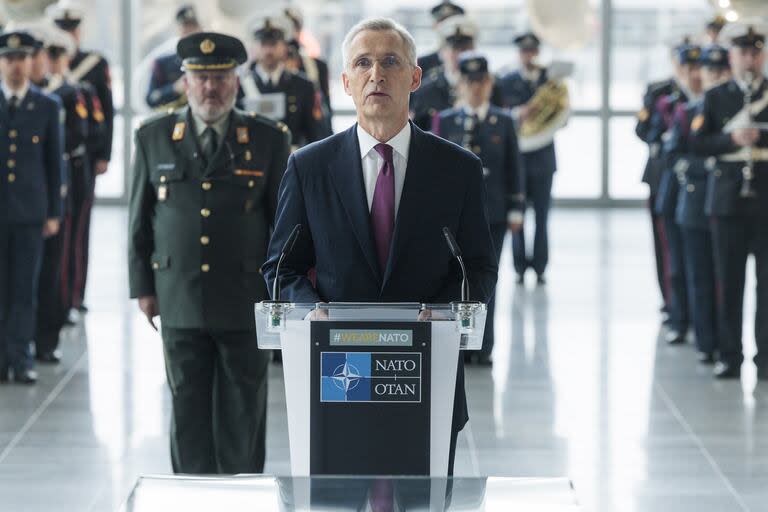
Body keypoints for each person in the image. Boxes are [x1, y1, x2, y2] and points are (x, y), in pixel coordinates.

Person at [262, 17, 497, 475]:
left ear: (414, 77)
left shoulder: (458, 169)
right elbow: (281, 269)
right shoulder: (309, 167)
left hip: (426, 368)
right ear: (346, 81)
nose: (377, 74)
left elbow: (479, 268)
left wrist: (446, 312)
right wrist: (314, 311)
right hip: (337, 371)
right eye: (363, 63)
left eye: (390, 61)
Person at [128, 32, 291, 472]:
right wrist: (143, 286)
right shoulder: (153, 136)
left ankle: (241, 496)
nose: (210, 88)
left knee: (244, 407)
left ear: (236, 80)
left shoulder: (268, 138)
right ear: (185, 81)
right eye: (200, 77)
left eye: (219, 77)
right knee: (186, 407)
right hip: (178, 293)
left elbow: (282, 225)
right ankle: (191, 494)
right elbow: (139, 221)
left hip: (245, 297)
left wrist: (281, 296)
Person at [432, 52, 524, 366]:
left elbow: (515, 167)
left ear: (489, 83)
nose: (476, 87)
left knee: (488, 279)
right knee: (455, 279)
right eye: (470, 81)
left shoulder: (504, 120)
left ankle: (483, 346)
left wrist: (516, 208)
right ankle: (458, 343)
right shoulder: (446, 120)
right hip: (455, 217)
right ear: (462, 84)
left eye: (481, 81)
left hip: (494, 213)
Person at [689, 23, 768, 380]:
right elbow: (697, 144)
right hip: (726, 201)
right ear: (732, 57)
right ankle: (729, 354)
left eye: (755, 52)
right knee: (729, 281)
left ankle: (765, 357)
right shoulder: (717, 96)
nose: (749, 59)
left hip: (765, 198)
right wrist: (732, 140)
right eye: (743, 53)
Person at [0, 31, 64, 384]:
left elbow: (55, 164)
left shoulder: (47, 105)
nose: (15, 64)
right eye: (8, 58)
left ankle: (21, 357)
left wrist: (54, 211)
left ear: (30, 61)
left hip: (30, 212)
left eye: (21, 57)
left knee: (25, 289)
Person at [664, 44, 731, 364]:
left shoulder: (736, 113)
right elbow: (673, 154)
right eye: (710, 72)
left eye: (722, 72)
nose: (715, 78)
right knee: (699, 276)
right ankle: (707, 343)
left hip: (731, 206)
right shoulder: (688, 113)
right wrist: (708, 166)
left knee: (727, 280)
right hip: (695, 203)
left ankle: (728, 344)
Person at [47, 0, 114, 313]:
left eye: (72, 29)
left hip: (83, 158)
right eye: (62, 30)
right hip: (54, 158)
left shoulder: (94, 64)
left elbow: (106, 112)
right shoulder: (46, 66)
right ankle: (59, 297)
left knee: (80, 230)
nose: (68, 36)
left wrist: (104, 155)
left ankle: (76, 294)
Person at [497, 32, 559, 284]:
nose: (528, 56)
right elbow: (501, 113)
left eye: (532, 51)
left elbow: (560, 111)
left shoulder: (550, 79)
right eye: (524, 52)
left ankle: (541, 266)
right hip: (518, 156)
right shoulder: (507, 80)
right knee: (517, 213)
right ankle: (520, 266)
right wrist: (518, 113)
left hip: (543, 155)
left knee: (543, 215)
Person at [653, 44, 703, 346]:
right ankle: (678, 316)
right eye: (689, 69)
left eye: (699, 69)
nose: (694, 75)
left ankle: (700, 321)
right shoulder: (669, 102)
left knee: (701, 265)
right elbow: (654, 134)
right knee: (675, 261)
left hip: (705, 192)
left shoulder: (712, 101)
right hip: (672, 189)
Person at [635, 44, 685, 325]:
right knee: (663, 244)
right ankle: (669, 301)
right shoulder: (659, 91)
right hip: (660, 175)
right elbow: (642, 130)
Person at [239, 14, 330, 149]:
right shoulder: (240, 86)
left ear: (285, 47)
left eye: (274, 44)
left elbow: (316, 134)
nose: (269, 50)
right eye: (264, 44)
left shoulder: (304, 86)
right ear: (254, 47)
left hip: (291, 161)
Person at [409, 15, 479, 130]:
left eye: (466, 49)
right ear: (442, 52)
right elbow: (417, 133)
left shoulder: (487, 86)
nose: (460, 55)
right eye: (455, 49)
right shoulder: (426, 90)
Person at [145, 4, 202, 110]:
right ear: (179, 31)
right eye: (186, 29)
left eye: (193, 28)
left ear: (200, 29)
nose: (190, 34)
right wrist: (174, 89)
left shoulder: (213, 63)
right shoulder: (162, 63)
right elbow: (151, 99)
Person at [417, 1, 465, 78]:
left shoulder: (475, 63)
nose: (447, 28)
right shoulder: (421, 64)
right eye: (443, 23)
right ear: (434, 26)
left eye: (452, 23)